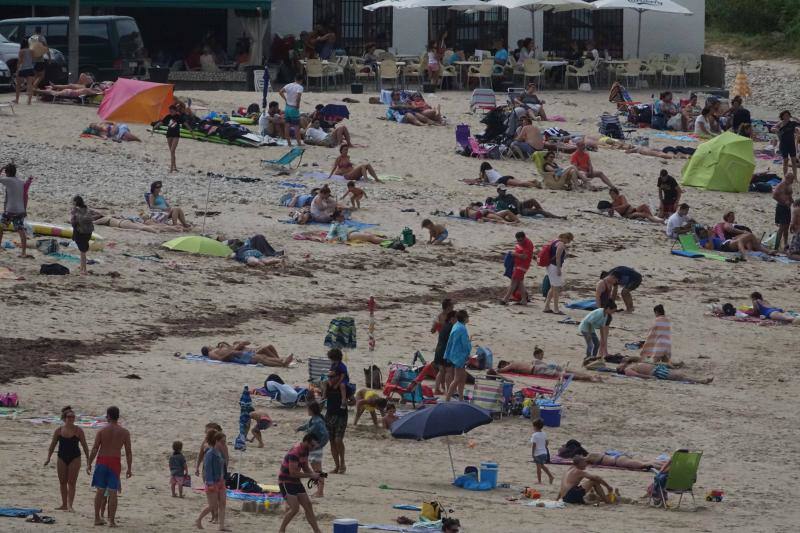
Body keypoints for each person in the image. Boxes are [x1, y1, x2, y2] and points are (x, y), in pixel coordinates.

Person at [87, 406, 132, 528]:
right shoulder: (124, 432)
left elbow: (95, 448)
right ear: (118, 416)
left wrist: (89, 462)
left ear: (108, 416)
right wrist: (129, 468)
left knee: (100, 491)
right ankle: (111, 521)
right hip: (114, 462)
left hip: (102, 460)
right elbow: (128, 452)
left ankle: (97, 518)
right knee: (113, 492)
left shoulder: (102, 431)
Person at [44, 406, 90, 512]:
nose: (71, 418)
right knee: (62, 482)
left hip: (75, 458)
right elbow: (52, 445)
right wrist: (48, 458)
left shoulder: (79, 431)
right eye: (69, 417)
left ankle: (70, 505)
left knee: (72, 482)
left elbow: (85, 446)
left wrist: (88, 460)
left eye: (73, 416)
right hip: (61, 457)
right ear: (64, 418)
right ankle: (64, 504)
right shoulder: (59, 431)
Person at [277, 434, 323, 533]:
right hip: (285, 481)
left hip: (295, 481)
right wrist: (311, 476)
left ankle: (317, 531)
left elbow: (305, 467)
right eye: (312, 445)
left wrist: (315, 475)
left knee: (308, 506)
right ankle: (281, 530)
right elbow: (293, 473)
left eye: (314, 446)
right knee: (295, 508)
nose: (313, 448)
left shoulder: (305, 450)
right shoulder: (295, 452)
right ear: (306, 441)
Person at [496, 349, 602, 382]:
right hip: (537, 365)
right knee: (564, 370)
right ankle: (589, 375)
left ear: (505, 364)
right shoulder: (516, 361)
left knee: (562, 375)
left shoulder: (512, 364)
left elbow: (502, 371)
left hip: (536, 369)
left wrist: (497, 369)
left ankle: (589, 378)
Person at [195, 430, 228, 531]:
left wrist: (224, 479)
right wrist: (210, 483)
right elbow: (208, 469)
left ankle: (221, 526)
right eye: (222, 441)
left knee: (223, 503)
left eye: (225, 442)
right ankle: (199, 519)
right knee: (212, 505)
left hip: (221, 481)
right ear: (216, 441)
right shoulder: (210, 453)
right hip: (212, 482)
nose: (224, 444)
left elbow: (224, 465)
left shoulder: (220, 453)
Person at [296, 401, 328, 498]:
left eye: (308, 409)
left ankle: (320, 491)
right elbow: (307, 425)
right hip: (312, 448)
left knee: (318, 470)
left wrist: (320, 445)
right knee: (315, 470)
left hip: (316, 449)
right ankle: (319, 490)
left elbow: (326, 434)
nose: (307, 411)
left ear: (312, 410)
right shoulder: (314, 419)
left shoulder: (318, 421)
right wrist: (300, 428)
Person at [325, 348, 348, 474]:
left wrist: (347, 400)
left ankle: (343, 463)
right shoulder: (328, 386)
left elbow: (353, 400)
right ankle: (337, 465)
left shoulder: (343, 384)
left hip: (341, 415)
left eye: (333, 377)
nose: (331, 379)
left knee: (338, 440)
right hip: (329, 414)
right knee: (332, 441)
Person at [0, 163, 30, 258]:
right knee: (21, 231)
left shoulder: (8, 180)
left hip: (10, 211)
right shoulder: (21, 182)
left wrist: (1, 169)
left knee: (1, 228)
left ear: (7, 172)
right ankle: (23, 252)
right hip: (20, 211)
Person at [154, 104, 193, 172]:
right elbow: (161, 122)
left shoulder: (179, 117)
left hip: (176, 135)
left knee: (172, 150)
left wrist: (191, 132)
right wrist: (154, 127)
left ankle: (171, 168)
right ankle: (175, 167)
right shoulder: (168, 116)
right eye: (170, 111)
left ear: (175, 111)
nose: (170, 112)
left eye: (172, 111)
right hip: (169, 135)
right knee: (172, 152)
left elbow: (185, 124)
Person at [444, 310, 471, 402]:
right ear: (464, 318)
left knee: (463, 377)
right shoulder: (462, 328)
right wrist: (468, 353)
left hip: (454, 355)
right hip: (459, 356)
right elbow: (465, 344)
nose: (468, 318)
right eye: (467, 316)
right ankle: (447, 399)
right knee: (457, 379)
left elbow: (450, 341)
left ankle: (460, 398)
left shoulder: (456, 325)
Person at [698, 227, 776, 259]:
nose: (704, 232)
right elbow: (710, 248)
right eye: (702, 232)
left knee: (749, 235)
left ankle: (765, 251)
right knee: (740, 241)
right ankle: (745, 254)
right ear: (700, 234)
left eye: (704, 231)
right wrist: (710, 236)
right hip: (725, 246)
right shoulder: (703, 241)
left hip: (728, 242)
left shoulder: (709, 237)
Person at [616, 359, 714, 384]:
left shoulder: (630, 364)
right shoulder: (627, 370)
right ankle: (701, 381)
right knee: (679, 377)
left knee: (679, 375)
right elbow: (637, 375)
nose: (621, 363)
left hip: (657, 368)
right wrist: (650, 377)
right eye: (619, 365)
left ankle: (699, 380)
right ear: (620, 369)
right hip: (656, 372)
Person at [200, 340, 294, 367]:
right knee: (260, 359)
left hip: (239, 354)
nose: (210, 345)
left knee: (262, 357)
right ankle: (281, 364)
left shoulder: (218, 348)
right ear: (207, 349)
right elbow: (221, 360)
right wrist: (231, 353)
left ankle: (282, 361)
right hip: (236, 357)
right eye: (208, 346)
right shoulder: (211, 353)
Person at [502, 231, 534, 305]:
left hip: (522, 265)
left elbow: (525, 256)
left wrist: (514, 254)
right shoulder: (521, 242)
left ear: (524, 238)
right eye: (518, 240)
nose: (519, 242)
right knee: (519, 282)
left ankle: (505, 299)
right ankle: (524, 299)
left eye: (521, 240)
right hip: (517, 264)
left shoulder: (528, 244)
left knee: (514, 280)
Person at [543, 233, 573, 314]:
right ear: (565, 238)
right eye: (569, 240)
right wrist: (559, 269)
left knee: (553, 287)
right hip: (554, 266)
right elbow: (558, 257)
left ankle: (546, 306)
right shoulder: (561, 244)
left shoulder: (554, 241)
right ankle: (556, 309)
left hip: (549, 266)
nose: (569, 242)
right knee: (556, 288)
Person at [69, 196, 94, 275]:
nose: (72, 203)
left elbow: (73, 222)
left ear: (76, 202)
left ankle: (84, 270)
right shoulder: (86, 209)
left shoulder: (75, 210)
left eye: (73, 201)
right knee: (83, 251)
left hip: (80, 232)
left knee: (82, 252)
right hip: (88, 232)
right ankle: (82, 266)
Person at [279, 74, 305, 146]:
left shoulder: (288, 85)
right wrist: (297, 105)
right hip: (294, 107)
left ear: (295, 79)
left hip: (287, 107)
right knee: (296, 126)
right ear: (301, 80)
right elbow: (298, 97)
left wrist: (285, 99)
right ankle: (299, 143)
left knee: (287, 125)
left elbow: (280, 92)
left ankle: (289, 143)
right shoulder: (300, 87)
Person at [772, 111, 799, 177]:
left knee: (794, 162)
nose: (786, 117)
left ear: (789, 116)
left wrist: (794, 117)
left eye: (788, 115)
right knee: (785, 162)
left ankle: (795, 178)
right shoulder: (780, 123)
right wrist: (775, 129)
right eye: (785, 115)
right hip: (783, 145)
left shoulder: (792, 123)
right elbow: (772, 128)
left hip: (791, 144)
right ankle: (785, 177)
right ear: (782, 116)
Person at [772, 172, 795, 251]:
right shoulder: (781, 185)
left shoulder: (789, 185)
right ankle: (776, 246)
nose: (793, 181)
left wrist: (792, 201)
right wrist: (784, 202)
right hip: (781, 207)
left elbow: (789, 195)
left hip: (787, 208)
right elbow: (774, 195)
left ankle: (785, 244)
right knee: (781, 227)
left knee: (787, 227)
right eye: (792, 179)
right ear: (787, 178)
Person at [475, 162, 540, 188]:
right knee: (520, 183)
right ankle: (532, 181)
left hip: (502, 180)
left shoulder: (486, 172)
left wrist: (481, 178)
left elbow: (485, 182)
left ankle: (534, 185)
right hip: (504, 177)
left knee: (520, 184)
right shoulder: (493, 170)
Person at [530, 418, 554, 484]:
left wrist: (532, 453)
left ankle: (539, 481)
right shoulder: (544, 433)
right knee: (542, 466)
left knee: (538, 468)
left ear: (535, 427)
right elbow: (547, 442)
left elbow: (534, 445)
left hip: (538, 453)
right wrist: (545, 447)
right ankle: (550, 476)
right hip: (544, 452)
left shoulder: (534, 435)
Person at [14, 39, 35, 105]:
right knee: (30, 85)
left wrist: (17, 70)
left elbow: (20, 61)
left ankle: (17, 100)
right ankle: (29, 101)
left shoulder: (21, 51)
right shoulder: (31, 51)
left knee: (18, 85)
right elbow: (33, 59)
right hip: (30, 68)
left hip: (22, 69)